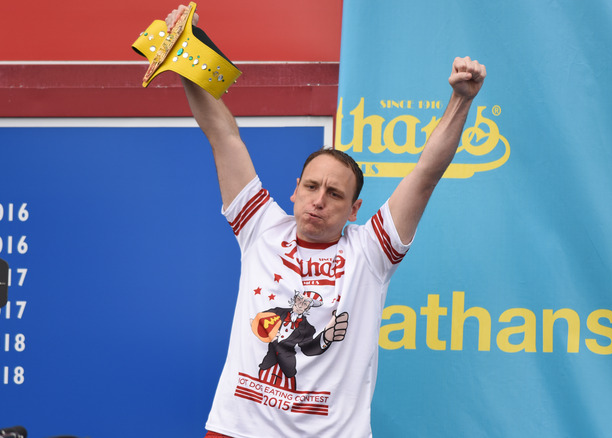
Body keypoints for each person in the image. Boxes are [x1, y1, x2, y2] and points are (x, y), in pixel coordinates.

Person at [165, 5, 486, 437]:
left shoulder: (370, 252)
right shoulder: (261, 227)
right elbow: (223, 134)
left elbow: (425, 174)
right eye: (312, 187)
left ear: (354, 210)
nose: (319, 200)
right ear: (295, 190)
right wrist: (184, 50)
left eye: (335, 194)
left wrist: (460, 100)